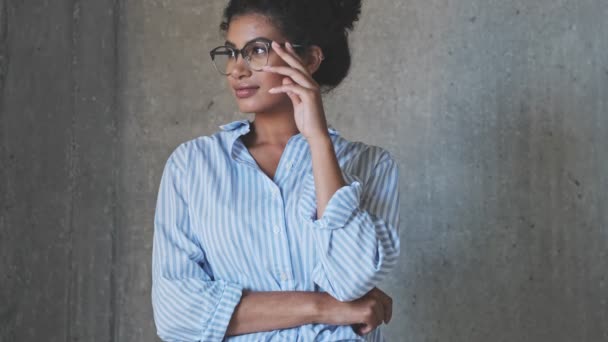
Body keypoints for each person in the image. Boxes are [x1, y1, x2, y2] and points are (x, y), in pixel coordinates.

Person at [151, 0, 401, 341]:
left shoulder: (369, 166)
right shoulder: (192, 167)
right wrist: (324, 307)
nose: (237, 69)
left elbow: (351, 278)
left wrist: (318, 141)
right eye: (231, 52)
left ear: (309, 59)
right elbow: (176, 315)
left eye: (256, 51)